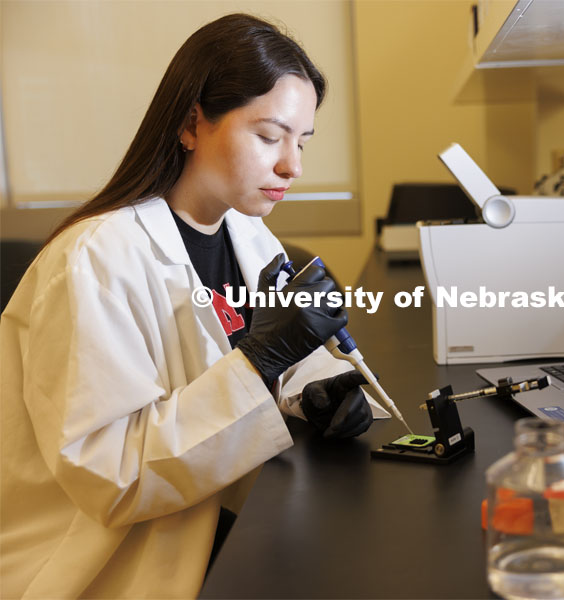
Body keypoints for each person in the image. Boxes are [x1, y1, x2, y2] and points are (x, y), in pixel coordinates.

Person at [0, 13, 383, 598]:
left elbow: (254, 372)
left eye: (301, 141)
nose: (293, 166)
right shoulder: (94, 261)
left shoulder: (249, 235)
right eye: (268, 136)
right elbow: (113, 476)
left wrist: (319, 393)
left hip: (224, 515)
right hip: (115, 561)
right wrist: (260, 363)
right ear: (190, 124)